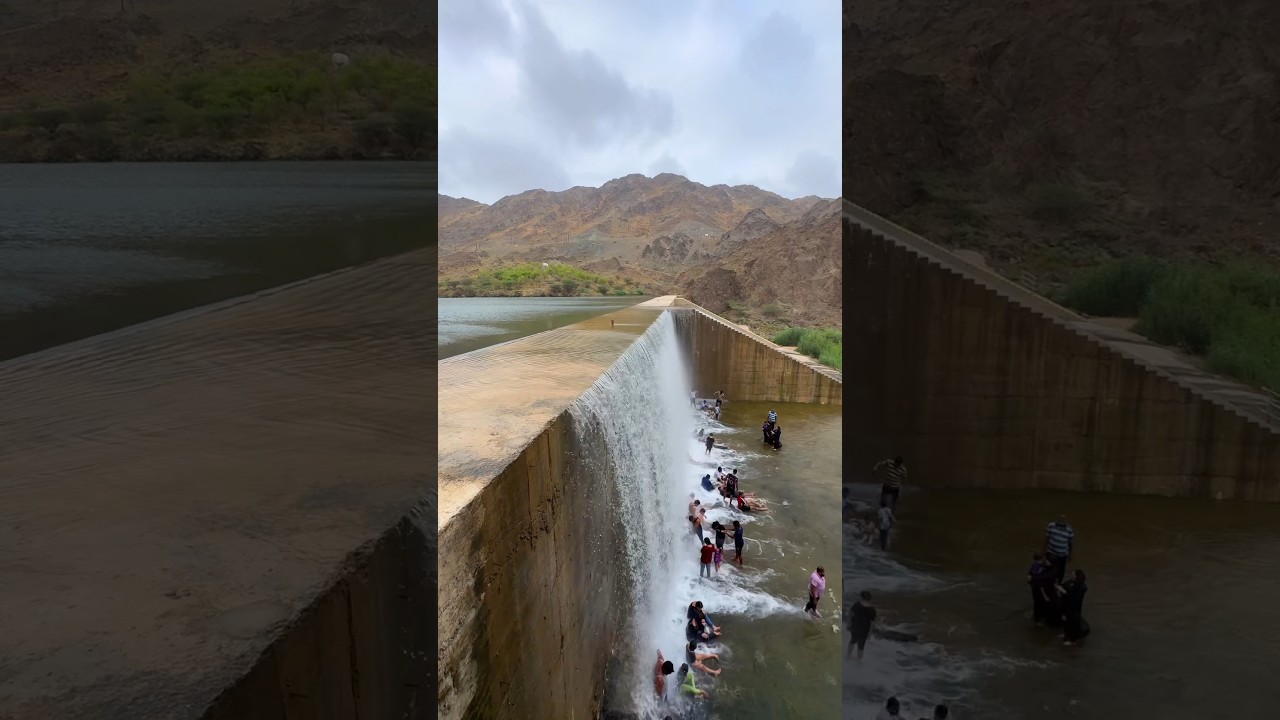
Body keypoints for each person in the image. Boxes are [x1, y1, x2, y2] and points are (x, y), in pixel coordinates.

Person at [1058, 568, 1089, 645]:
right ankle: (1066, 634)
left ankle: (1072, 640)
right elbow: (1063, 586)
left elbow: (1074, 597)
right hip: (1066, 605)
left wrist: (1063, 591)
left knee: (1073, 622)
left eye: (1073, 575)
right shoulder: (1070, 582)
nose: (1071, 576)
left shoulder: (1081, 586)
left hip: (1074, 607)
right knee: (1065, 620)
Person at [1043, 514, 1075, 583]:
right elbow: (1047, 539)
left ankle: (1058, 584)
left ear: (1066, 521)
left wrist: (1070, 555)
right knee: (1048, 568)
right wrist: (1043, 551)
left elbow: (1070, 543)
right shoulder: (1051, 526)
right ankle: (1047, 582)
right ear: (1057, 519)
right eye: (1060, 519)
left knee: (1060, 571)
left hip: (1062, 554)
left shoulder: (1069, 529)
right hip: (1051, 552)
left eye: (1063, 519)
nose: (1062, 521)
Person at [847, 590, 877, 659]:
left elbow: (850, 614)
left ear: (861, 597)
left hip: (854, 627)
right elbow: (872, 623)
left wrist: (848, 624)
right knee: (861, 647)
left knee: (852, 641)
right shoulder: (872, 609)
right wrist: (870, 633)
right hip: (864, 630)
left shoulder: (856, 604)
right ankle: (859, 662)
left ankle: (848, 656)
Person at [1027, 553, 1056, 625]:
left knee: (1042, 604)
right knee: (1037, 603)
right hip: (1038, 588)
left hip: (1045, 590)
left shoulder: (1052, 571)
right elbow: (1032, 572)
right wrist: (1029, 576)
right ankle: (1036, 617)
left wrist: (1032, 578)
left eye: (1047, 560)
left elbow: (1044, 577)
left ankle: (1041, 620)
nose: (1045, 561)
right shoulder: (1042, 566)